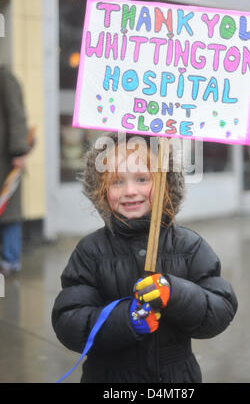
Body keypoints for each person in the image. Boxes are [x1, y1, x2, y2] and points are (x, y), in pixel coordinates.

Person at [52, 132, 238, 383]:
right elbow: (69, 321)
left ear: (165, 184)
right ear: (101, 189)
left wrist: (174, 293)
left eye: (142, 179)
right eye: (117, 182)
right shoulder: (91, 252)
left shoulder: (188, 246)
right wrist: (125, 319)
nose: (130, 191)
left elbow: (219, 308)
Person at [0, 66, 29, 276]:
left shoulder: (4, 77)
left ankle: (10, 261)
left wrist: (19, 150)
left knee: (8, 210)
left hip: (6, 158)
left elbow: (17, 116)